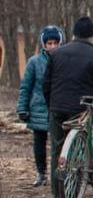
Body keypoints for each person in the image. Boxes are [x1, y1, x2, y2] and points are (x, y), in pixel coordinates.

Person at [43, 17, 93, 198]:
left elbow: (46, 83)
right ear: (92, 35)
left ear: (74, 33)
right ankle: (73, 193)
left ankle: (57, 193)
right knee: (78, 150)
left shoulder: (57, 54)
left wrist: (51, 104)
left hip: (57, 108)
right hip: (80, 110)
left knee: (57, 149)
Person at [16, 26, 64, 186]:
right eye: (49, 43)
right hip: (39, 108)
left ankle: (59, 174)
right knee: (39, 142)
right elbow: (26, 87)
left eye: (55, 43)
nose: (52, 46)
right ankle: (41, 173)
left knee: (59, 143)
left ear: (60, 43)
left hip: (59, 107)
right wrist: (22, 108)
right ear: (44, 44)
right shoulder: (34, 62)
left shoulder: (65, 60)